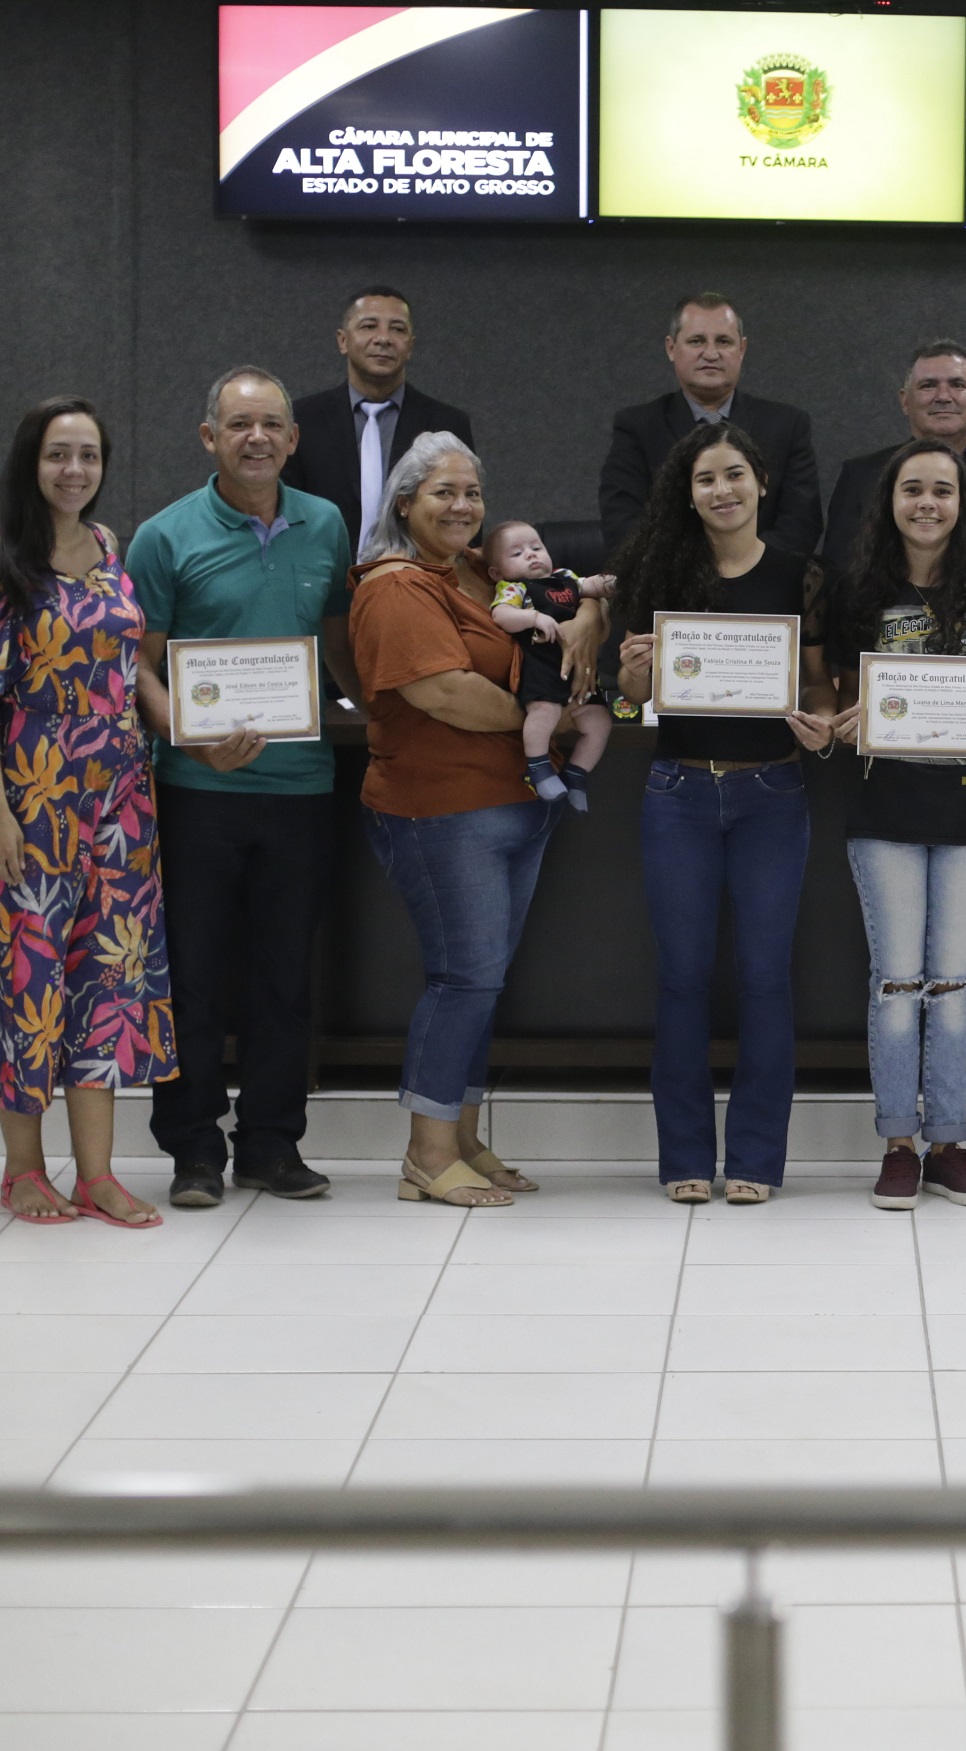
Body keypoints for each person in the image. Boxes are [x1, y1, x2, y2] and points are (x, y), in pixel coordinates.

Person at [128, 366, 360, 1208]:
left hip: (300, 787)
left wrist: (386, 707)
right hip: (198, 792)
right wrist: (185, 733)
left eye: (271, 425)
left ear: (293, 441)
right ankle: (192, 1150)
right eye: (238, 425)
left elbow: (335, 645)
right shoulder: (163, 536)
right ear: (209, 438)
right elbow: (139, 667)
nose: (256, 438)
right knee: (191, 976)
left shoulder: (326, 523)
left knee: (284, 977)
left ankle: (271, 1143)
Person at [0, 397, 173, 1228]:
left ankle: (99, 1174)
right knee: (26, 981)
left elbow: (126, 666)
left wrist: (187, 724)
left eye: (88, 455)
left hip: (120, 799)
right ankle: (21, 1170)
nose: (74, 471)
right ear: (29, 461)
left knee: (108, 981)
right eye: (57, 455)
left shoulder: (110, 545)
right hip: (33, 796)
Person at [613, 421, 839, 1204]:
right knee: (680, 979)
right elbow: (635, 700)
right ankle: (682, 1158)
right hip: (677, 793)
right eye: (706, 478)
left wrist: (820, 721)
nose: (723, 490)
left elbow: (817, 690)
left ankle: (753, 1161)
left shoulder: (799, 576)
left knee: (766, 979)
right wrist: (635, 674)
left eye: (735, 474)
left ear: (762, 483)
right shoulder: (661, 571)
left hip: (772, 794)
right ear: (688, 492)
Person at [347, 432, 553, 1210]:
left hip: (511, 804)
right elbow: (443, 693)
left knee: (483, 982)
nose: (463, 506)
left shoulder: (471, 573)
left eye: (472, 492)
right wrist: (550, 724)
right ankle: (427, 1155)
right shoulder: (396, 586)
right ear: (405, 503)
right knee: (463, 976)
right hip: (439, 811)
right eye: (443, 492)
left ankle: (463, 1138)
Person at [827, 439, 966, 1210]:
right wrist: (843, 719)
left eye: (942, 491)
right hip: (884, 807)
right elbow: (839, 691)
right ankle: (897, 1144)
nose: (926, 504)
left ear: (965, 503)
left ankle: (949, 1140)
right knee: (895, 984)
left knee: (952, 985)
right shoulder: (855, 588)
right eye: (911, 489)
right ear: (890, 501)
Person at [600, 292, 824, 562]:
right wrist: (697, 569)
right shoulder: (637, 427)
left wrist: (741, 566)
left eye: (723, 341)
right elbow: (622, 524)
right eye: (696, 341)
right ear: (671, 348)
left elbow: (801, 525)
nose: (711, 353)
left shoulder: (786, 425)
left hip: (763, 587)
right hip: (669, 585)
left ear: (742, 349)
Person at [824, 341, 966, 583]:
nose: (943, 396)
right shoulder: (861, 477)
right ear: (905, 401)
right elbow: (838, 576)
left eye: (957, 385)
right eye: (928, 385)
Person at [281, 285, 474, 546]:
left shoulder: (447, 424)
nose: (383, 338)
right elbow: (283, 514)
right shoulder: (301, 419)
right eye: (369, 326)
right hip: (323, 579)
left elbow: (465, 521)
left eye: (397, 329)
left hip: (416, 581)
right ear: (342, 340)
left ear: (410, 346)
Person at [482, 520, 616, 808]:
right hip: (540, 666)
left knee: (600, 721)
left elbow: (590, 585)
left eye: (536, 547)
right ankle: (539, 767)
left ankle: (577, 772)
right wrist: (533, 618)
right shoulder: (514, 587)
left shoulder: (565, 576)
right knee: (544, 712)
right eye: (516, 553)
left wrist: (613, 583)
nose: (530, 554)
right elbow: (501, 615)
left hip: (578, 669)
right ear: (496, 572)